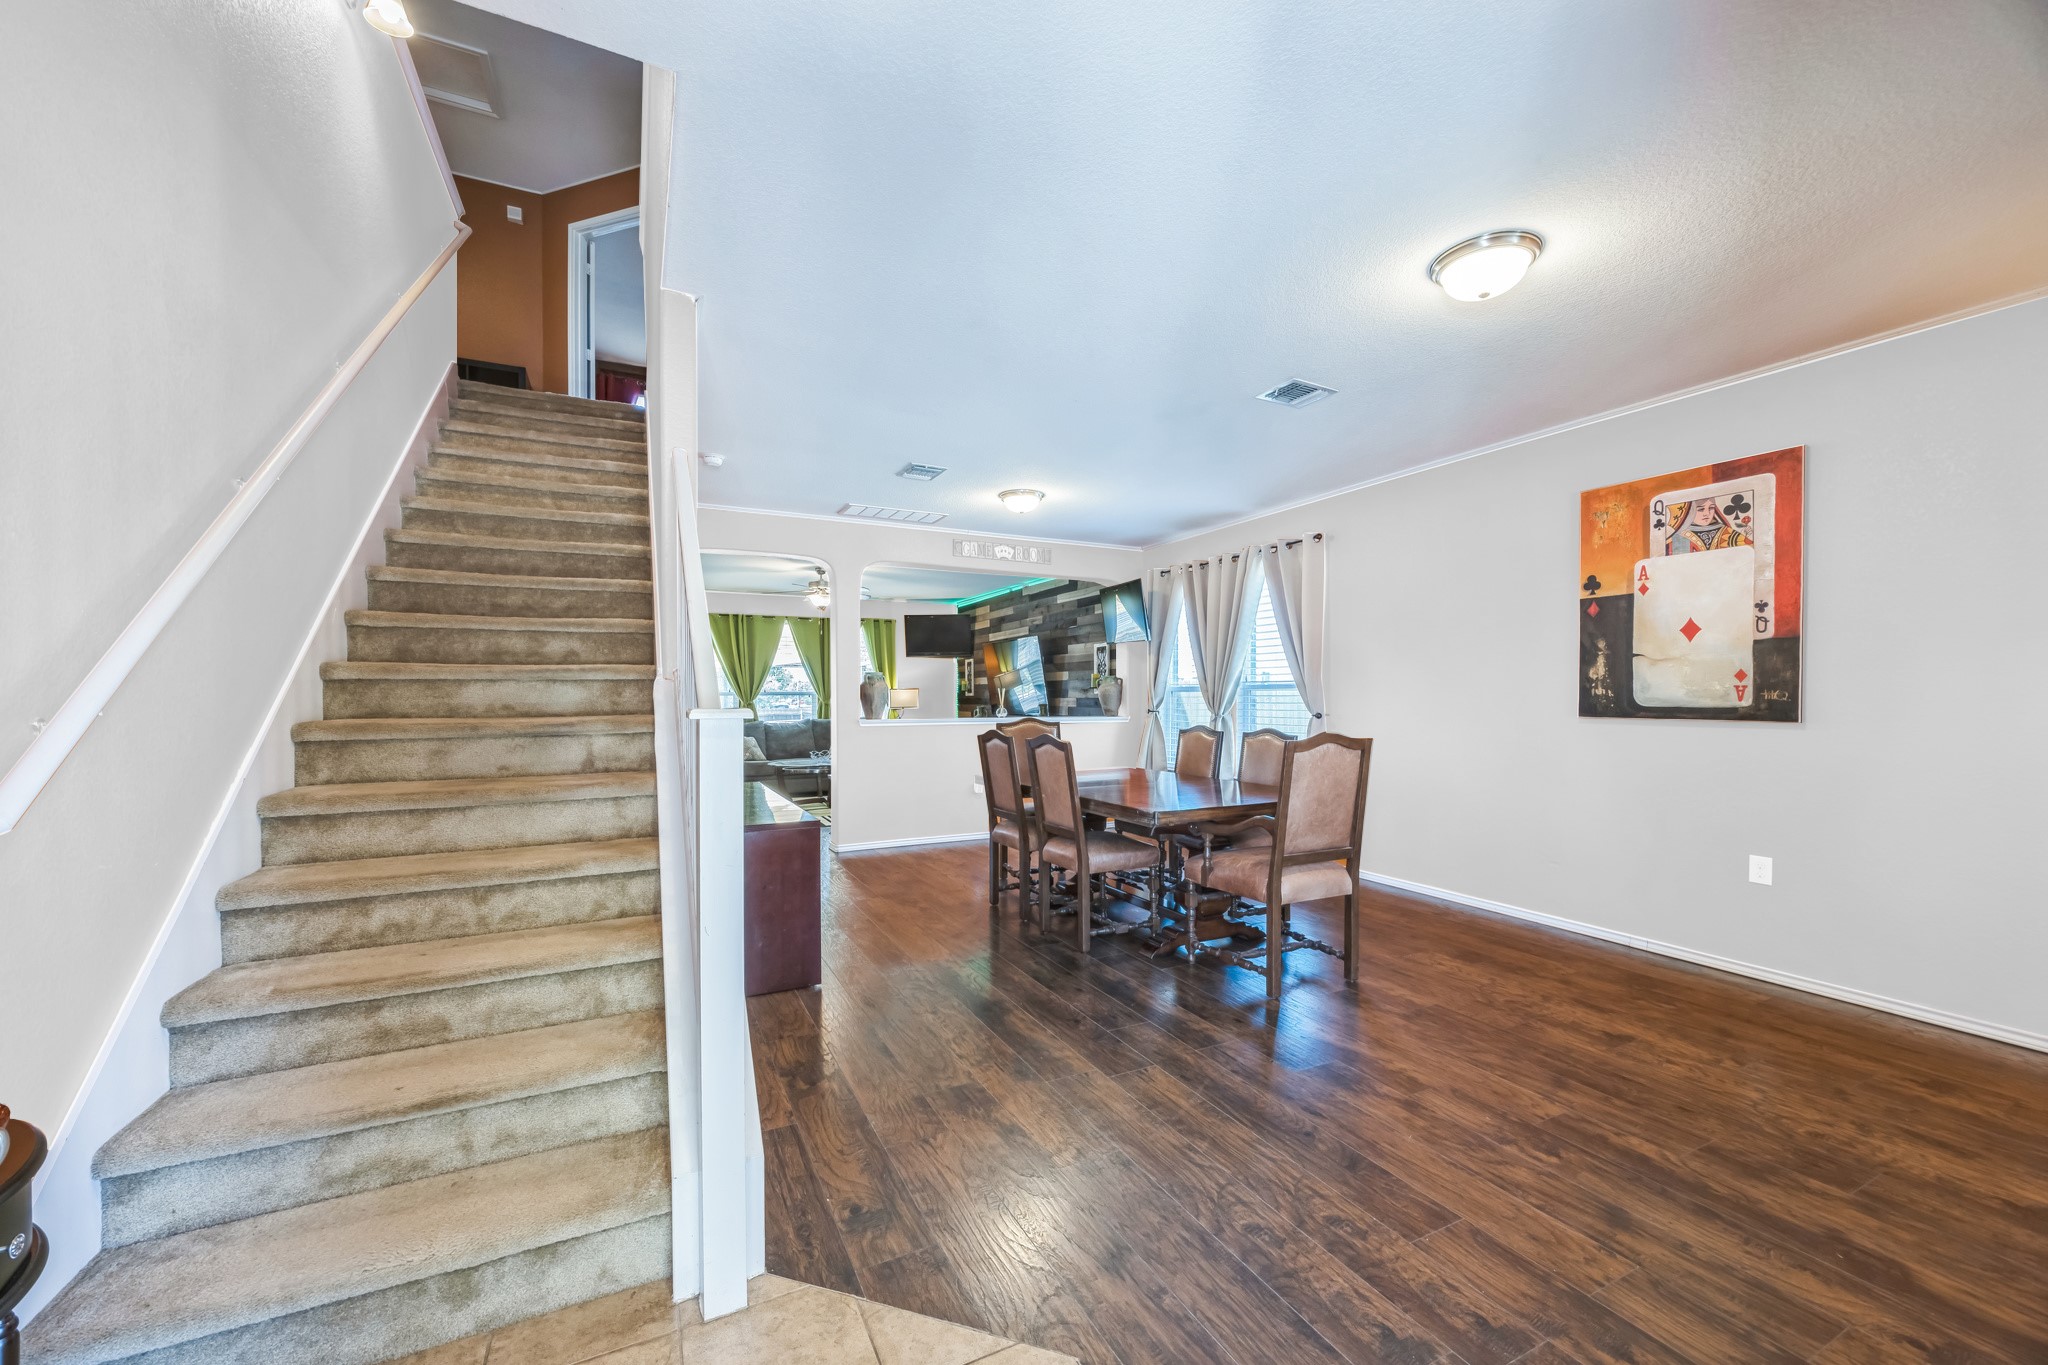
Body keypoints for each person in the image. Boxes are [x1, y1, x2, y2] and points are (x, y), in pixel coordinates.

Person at [1666, 496, 1751, 554]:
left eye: (1711, 508)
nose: (1707, 513)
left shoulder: (1725, 532)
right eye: (1701, 509)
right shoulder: (1678, 537)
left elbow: (1751, 550)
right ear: (1690, 511)